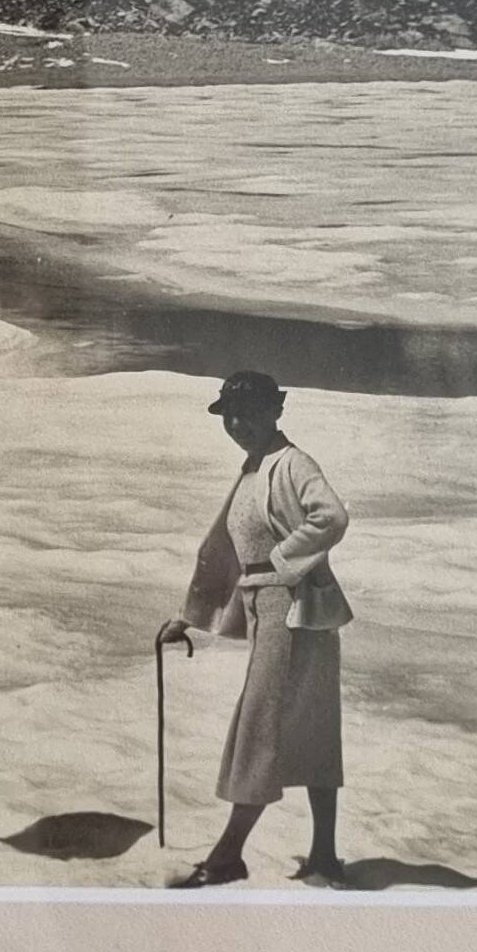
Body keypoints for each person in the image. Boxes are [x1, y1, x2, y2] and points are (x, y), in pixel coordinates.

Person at [157, 371, 350, 888]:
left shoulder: (292, 464)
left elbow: (330, 517)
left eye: (251, 413)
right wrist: (189, 616)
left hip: (294, 610)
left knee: (260, 728)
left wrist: (281, 562)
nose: (240, 424)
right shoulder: (255, 467)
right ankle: (325, 857)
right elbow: (223, 548)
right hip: (276, 609)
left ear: (275, 412)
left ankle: (227, 856)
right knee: (307, 729)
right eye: (231, 415)